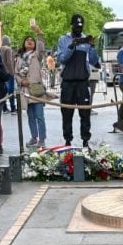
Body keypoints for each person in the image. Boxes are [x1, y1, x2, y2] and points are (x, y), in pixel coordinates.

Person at [55, 13, 99, 148]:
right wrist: (71, 46)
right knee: (66, 114)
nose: (78, 29)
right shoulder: (63, 39)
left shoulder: (85, 41)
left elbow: (94, 61)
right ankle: (67, 140)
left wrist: (91, 46)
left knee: (85, 114)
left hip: (82, 82)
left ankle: (85, 140)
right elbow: (62, 59)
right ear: (72, 26)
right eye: (76, 26)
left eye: (80, 26)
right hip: (68, 82)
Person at [15, 22, 48, 147]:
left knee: (40, 116)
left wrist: (38, 32)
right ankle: (34, 137)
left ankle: (42, 138)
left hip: (36, 89)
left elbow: (41, 46)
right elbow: (16, 73)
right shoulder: (19, 58)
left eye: (31, 40)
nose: (29, 41)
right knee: (30, 116)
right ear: (23, 43)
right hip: (25, 91)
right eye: (27, 40)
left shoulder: (37, 55)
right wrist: (21, 81)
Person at [0, 35, 17, 113]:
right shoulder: (8, 49)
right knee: (11, 90)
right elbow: (9, 61)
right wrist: (12, 72)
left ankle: (4, 108)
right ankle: (13, 108)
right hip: (9, 72)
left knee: (4, 90)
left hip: (1, 72)